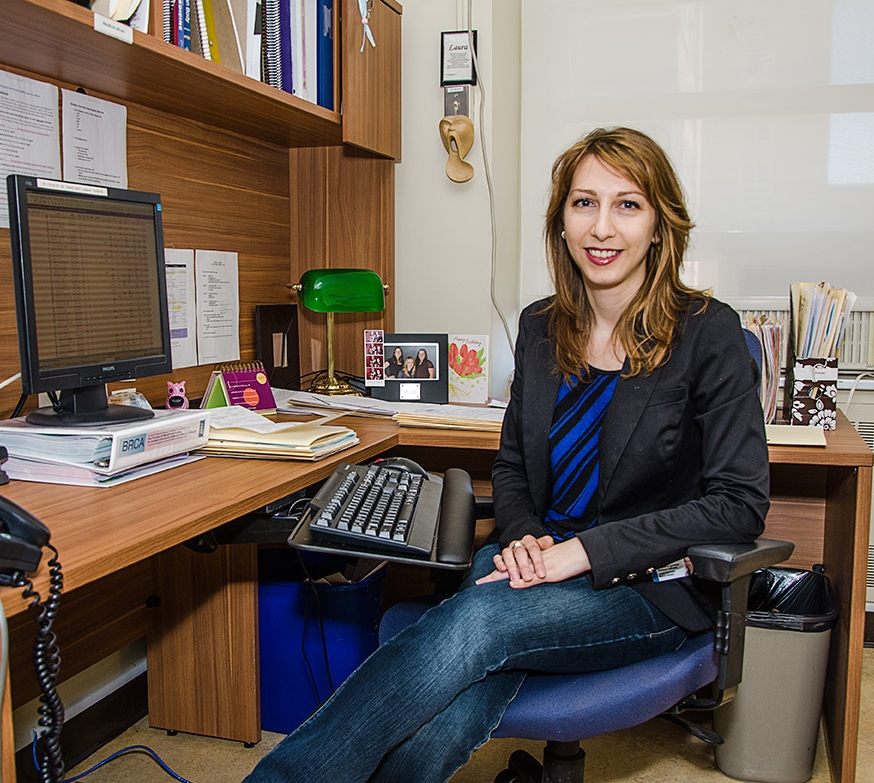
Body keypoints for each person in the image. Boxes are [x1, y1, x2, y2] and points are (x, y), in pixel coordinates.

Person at [243, 127, 770, 783]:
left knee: (479, 624)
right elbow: (516, 467)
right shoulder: (541, 326)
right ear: (561, 219)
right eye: (583, 203)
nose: (601, 227)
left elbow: (738, 504)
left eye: (627, 204)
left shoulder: (707, 331)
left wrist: (579, 553)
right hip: (536, 556)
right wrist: (523, 537)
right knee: (460, 685)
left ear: (660, 225)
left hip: (646, 588)